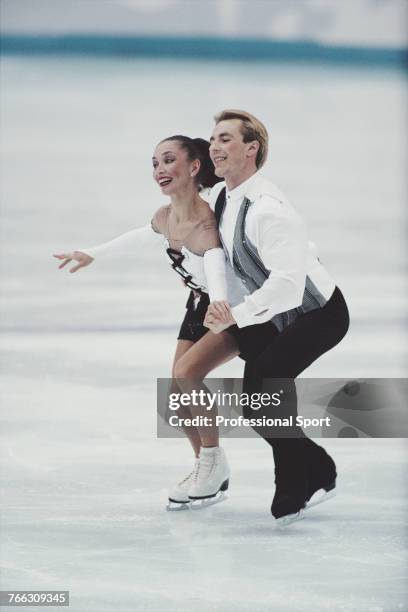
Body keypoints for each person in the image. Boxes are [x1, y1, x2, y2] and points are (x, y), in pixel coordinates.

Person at [53, 135, 239, 509]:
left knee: (187, 375)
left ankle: (214, 461)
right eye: (154, 163)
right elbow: (142, 236)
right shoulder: (164, 215)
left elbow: (218, 269)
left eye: (168, 160)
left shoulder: (206, 224)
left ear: (194, 167)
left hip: (232, 311)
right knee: (175, 393)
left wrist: (219, 304)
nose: (159, 170)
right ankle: (206, 465)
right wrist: (93, 253)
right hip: (199, 304)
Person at [203, 110, 350, 525]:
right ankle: (314, 468)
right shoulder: (223, 196)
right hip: (275, 313)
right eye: (213, 138)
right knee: (263, 397)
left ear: (252, 149)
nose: (215, 146)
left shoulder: (268, 208)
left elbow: (288, 286)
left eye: (226, 139)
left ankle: (299, 477)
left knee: (260, 393)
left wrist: (236, 314)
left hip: (318, 314)